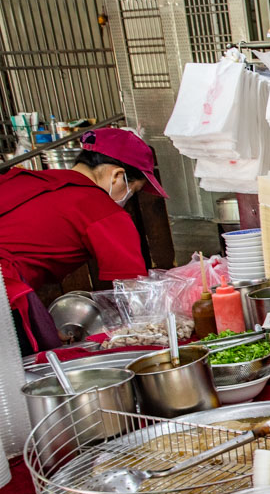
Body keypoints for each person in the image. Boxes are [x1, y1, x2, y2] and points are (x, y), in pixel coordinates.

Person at [0, 127, 162, 353]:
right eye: (132, 190)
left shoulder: (26, 181)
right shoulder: (102, 210)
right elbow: (132, 291)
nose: (128, 198)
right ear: (117, 176)